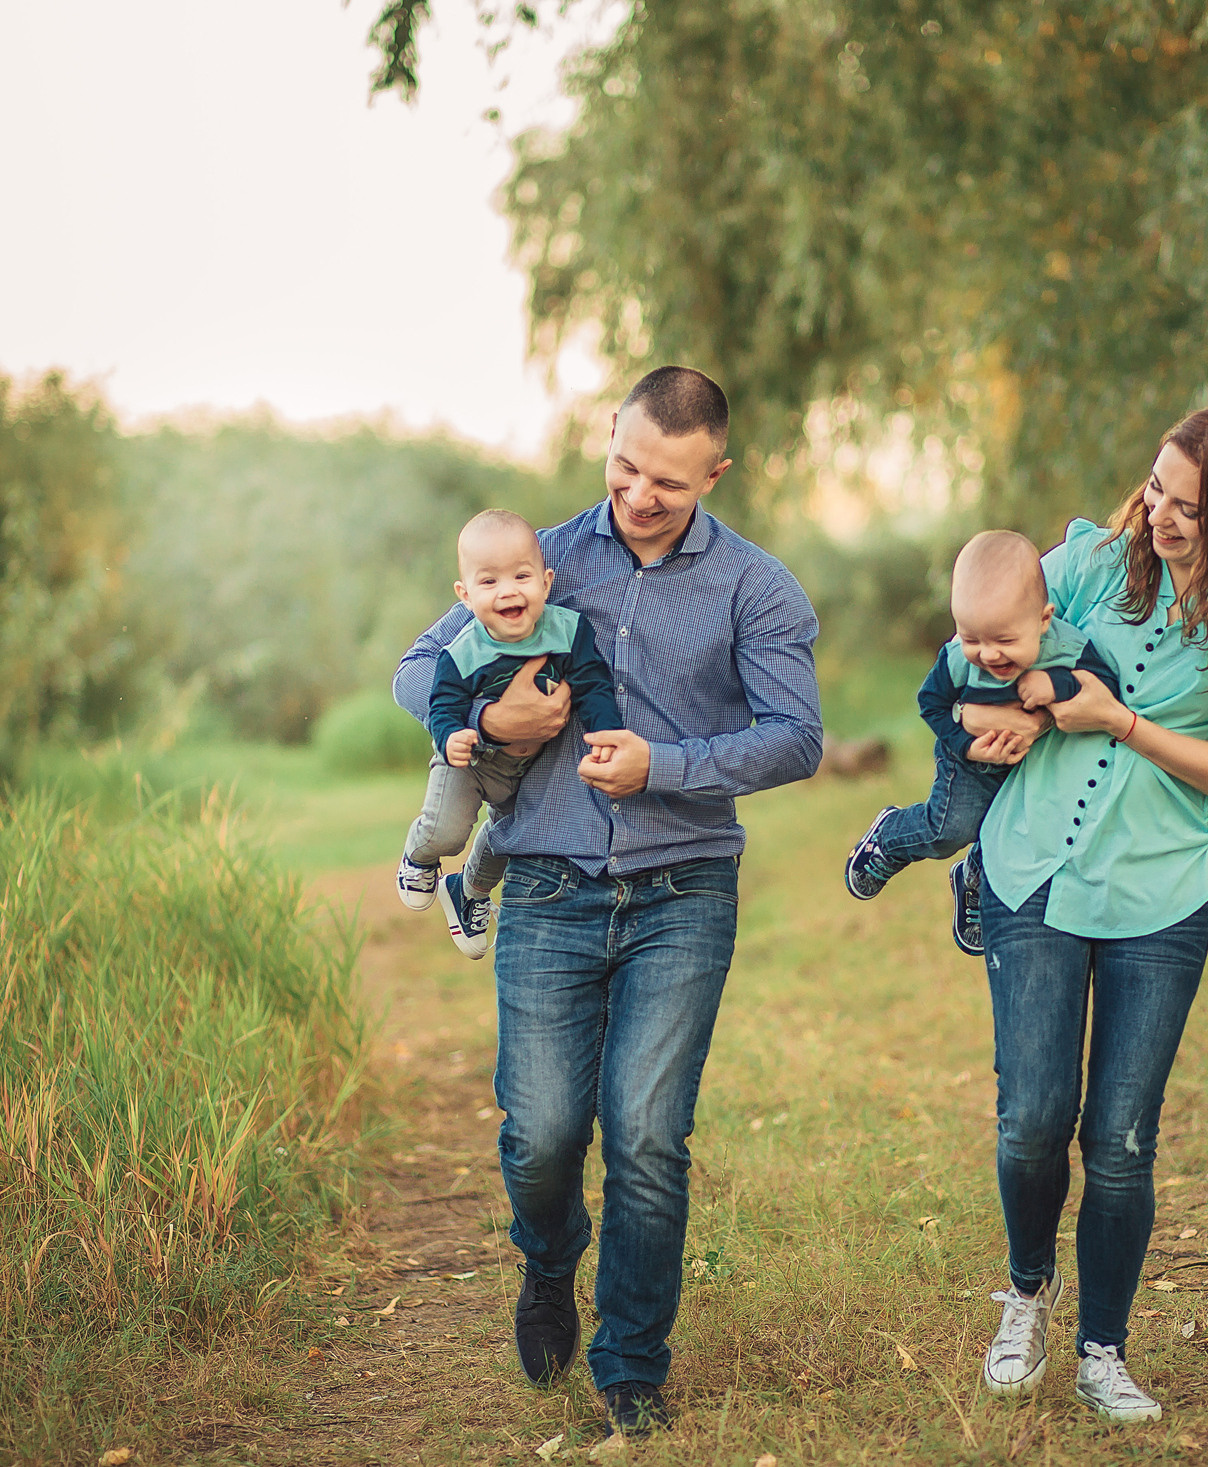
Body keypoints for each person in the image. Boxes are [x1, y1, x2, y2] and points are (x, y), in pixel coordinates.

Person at [392, 366, 822, 1441]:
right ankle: (547, 1264)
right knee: (541, 1134)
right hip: (545, 884)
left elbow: (796, 736)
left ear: (714, 474)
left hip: (684, 892)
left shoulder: (756, 587)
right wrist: (493, 723)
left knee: (645, 1135)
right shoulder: (533, 559)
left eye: (668, 483)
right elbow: (412, 671)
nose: (638, 494)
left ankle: (630, 1363)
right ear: (611, 442)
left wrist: (664, 766)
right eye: (626, 466)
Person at [953, 402, 1208, 1421]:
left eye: (1187, 508)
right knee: (1034, 1117)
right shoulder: (1091, 561)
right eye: (1155, 488)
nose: (1158, 516)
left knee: (1121, 1138)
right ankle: (1027, 1295)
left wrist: (1118, 720)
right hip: (1034, 873)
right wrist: (995, 713)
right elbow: (978, 643)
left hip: (1162, 894)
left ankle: (1101, 1349)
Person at [841, 529, 1118, 956]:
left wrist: (1056, 683)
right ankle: (889, 837)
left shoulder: (1068, 647)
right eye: (972, 639)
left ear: (1043, 620)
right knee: (950, 828)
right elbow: (930, 702)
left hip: (1029, 760)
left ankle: (973, 877)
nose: (988, 655)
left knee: (1017, 830)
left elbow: (1106, 684)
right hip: (967, 760)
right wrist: (966, 747)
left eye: (1004, 641)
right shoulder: (956, 661)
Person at [395, 509, 625, 958]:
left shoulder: (568, 631)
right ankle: (419, 858)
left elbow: (595, 684)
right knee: (447, 831)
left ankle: (468, 891)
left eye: (522, 576)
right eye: (489, 582)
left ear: (546, 581)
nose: (508, 591)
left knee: (508, 840)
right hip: (468, 761)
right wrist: (457, 733)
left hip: (527, 768)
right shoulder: (463, 649)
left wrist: (605, 734)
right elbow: (443, 702)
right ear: (465, 595)